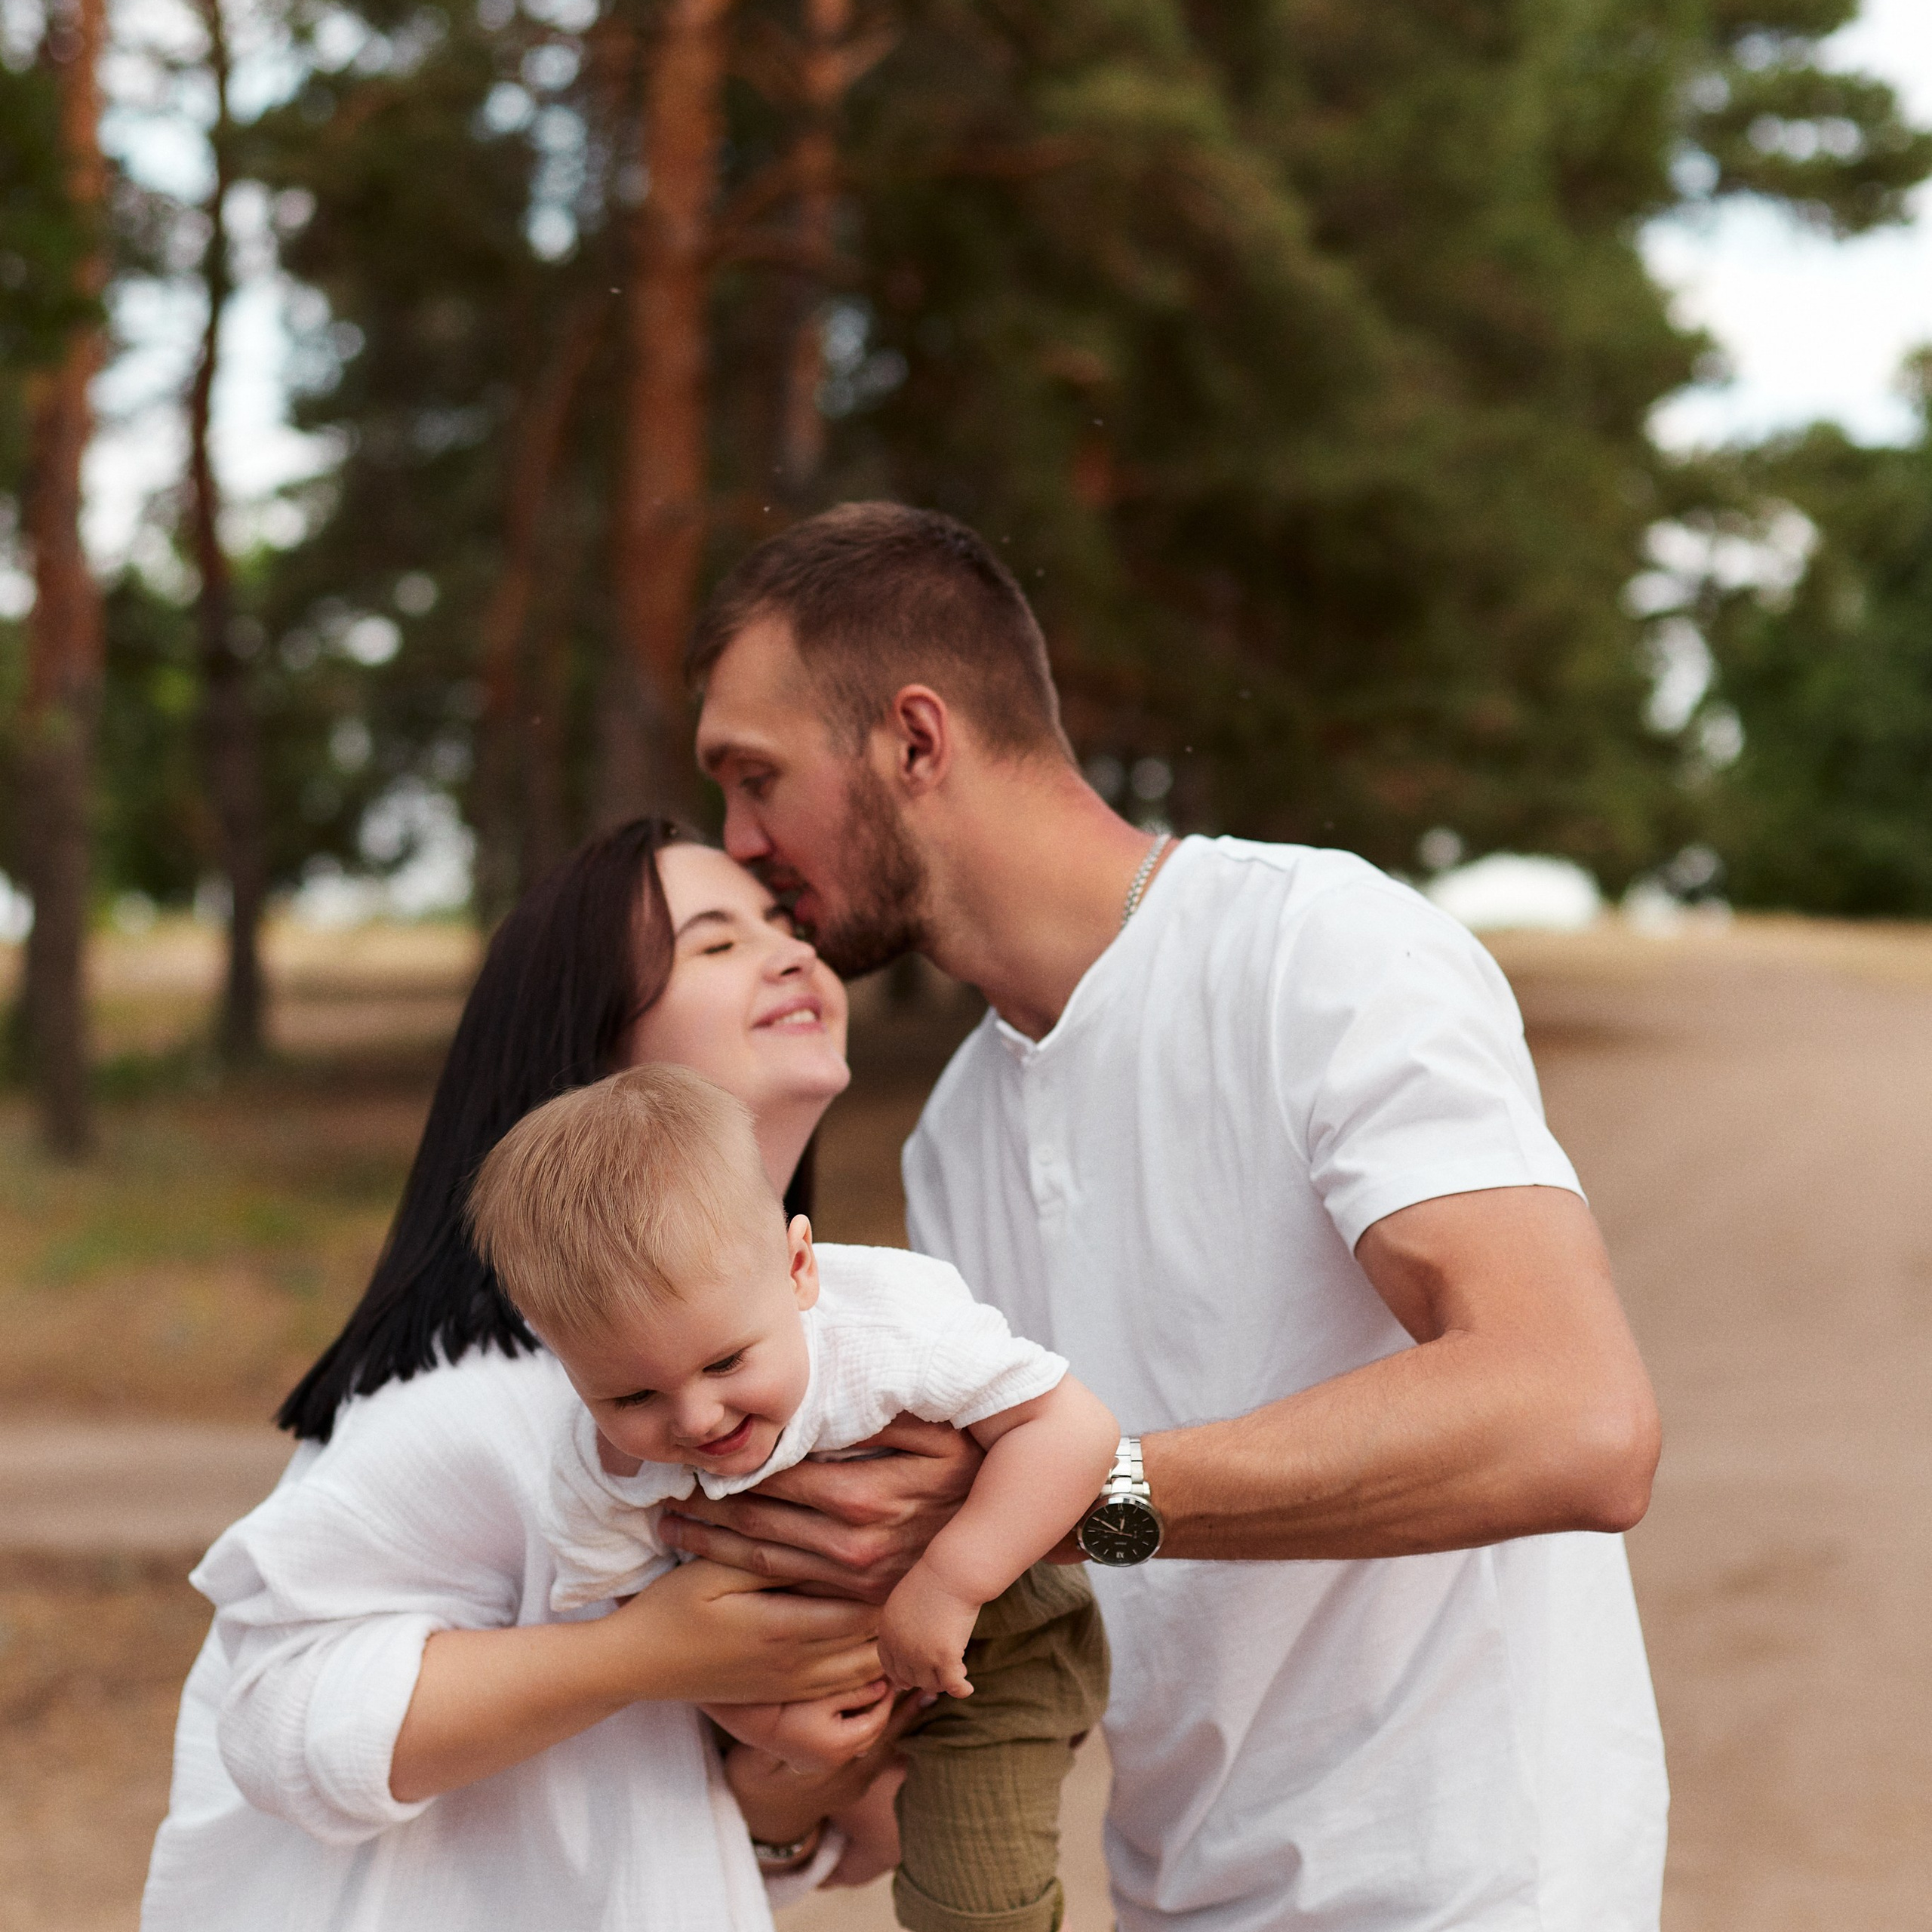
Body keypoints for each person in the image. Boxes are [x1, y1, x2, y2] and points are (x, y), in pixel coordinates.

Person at [662, 501, 1671, 1930]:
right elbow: (995, 1645)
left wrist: (1078, 1496)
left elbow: (1577, 1420)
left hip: (1471, 1892)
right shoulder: (959, 1134)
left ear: (915, 740)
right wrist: (776, 1801)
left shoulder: (1317, 947)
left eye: (755, 778)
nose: (739, 841)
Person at [141, 821, 949, 1932]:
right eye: (715, 945)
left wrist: (791, 1780)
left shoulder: (799, 1373)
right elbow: (278, 1720)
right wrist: (643, 1653)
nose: (791, 953)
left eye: (784, 925)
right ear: (593, 1060)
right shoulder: (480, 1396)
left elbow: (651, 1819)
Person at [470, 1061, 1115, 1932]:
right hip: (798, 1684)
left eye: (726, 1361)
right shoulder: (597, 1466)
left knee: (973, 1898)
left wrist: (951, 1581)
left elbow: (1070, 1429)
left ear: (800, 1268)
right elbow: (637, 1618)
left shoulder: (891, 1333)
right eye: (630, 1397)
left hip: (994, 1649)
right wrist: (751, 1713)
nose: (696, 1417)